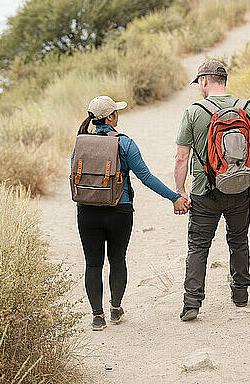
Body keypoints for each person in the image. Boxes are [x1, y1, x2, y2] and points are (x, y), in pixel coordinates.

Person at [73, 95, 190, 331]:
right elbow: (145, 177)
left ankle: (97, 316)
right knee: (117, 260)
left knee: (93, 265)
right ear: (111, 117)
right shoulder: (125, 144)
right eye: (116, 112)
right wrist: (175, 197)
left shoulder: (80, 143)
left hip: (87, 211)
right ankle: (115, 309)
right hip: (120, 210)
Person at [174, 60, 250, 321]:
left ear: (204, 81)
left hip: (204, 191)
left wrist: (180, 192)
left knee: (198, 246)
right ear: (224, 80)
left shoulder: (193, 112)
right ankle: (240, 293)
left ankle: (192, 303)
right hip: (241, 188)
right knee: (238, 239)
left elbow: (181, 158)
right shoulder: (248, 108)